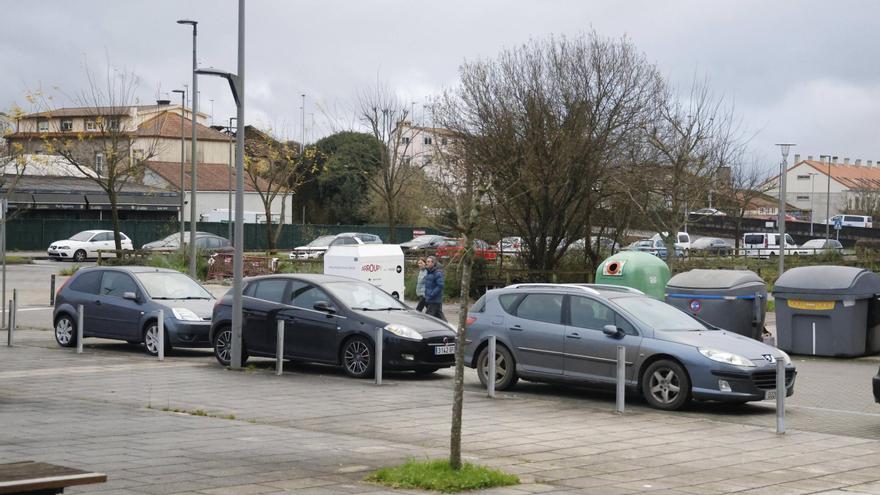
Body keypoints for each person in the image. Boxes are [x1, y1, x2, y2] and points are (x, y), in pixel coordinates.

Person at [423, 256, 446, 321]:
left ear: (433, 263)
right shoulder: (429, 272)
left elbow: (440, 285)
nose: (426, 263)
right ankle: (448, 328)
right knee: (439, 317)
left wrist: (432, 293)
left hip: (434, 299)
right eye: (427, 261)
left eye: (428, 261)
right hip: (431, 299)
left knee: (428, 317)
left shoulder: (437, 273)